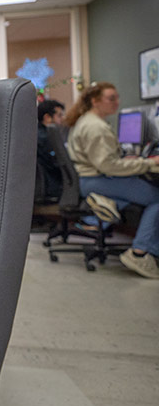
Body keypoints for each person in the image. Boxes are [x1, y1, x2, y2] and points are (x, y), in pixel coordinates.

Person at [65, 82, 159, 279]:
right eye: (111, 98)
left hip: (89, 180)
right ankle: (139, 252)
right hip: (97, 180)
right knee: (156, 198)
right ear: (95, 101)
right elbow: (108, 166)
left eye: (117, 97)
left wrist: (131, 161)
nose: (117, 102)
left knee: (138, 188)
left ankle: (99, 215)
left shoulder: (86, 121)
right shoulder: (96, 127)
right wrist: (148, 163)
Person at [37, 99, 65, 200]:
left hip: (48, 185)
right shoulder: (46, 138)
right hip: (53, 186)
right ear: (47, 117)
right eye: (59, 115)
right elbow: (58, 164)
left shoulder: (37, 134)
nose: (62, 119)